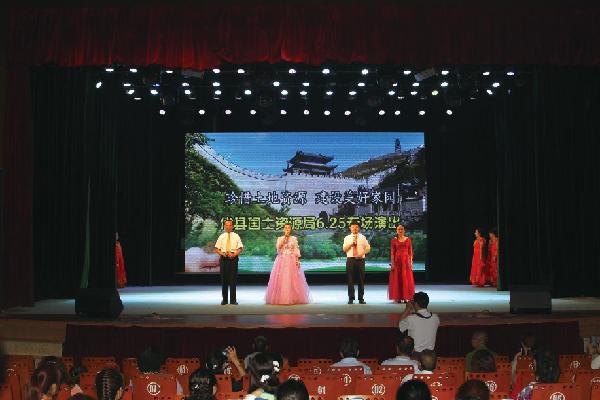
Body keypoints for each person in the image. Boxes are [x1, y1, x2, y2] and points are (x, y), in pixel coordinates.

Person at [265, 223, 311, 305]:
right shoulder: (280, 238)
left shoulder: (294, 239)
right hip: (281, 260)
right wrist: (285, 238)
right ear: (283, 229)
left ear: (291, 229)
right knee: (281, 279)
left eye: (288, 228)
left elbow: (296, 250)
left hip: (291, 260)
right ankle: (280, 298)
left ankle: (293, 297)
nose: (287, 229)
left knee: (292, 279)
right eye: (285, 228)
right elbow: (278, 248)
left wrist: (297, 260)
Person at [215, 219, 244, 305]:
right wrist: (222, 253)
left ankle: (233, 300)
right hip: (224, 259)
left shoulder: (236, 236)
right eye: (226, 225)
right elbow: (217, 249)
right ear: (224, 226)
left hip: (233, 259)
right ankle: (224, 299)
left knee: (233, 280)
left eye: (229, 225)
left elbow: (240, 248)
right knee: (224, 280)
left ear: (232, 226)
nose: (228, 227)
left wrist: (234, 254)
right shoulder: (221, 236)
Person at [342, 221, 370, 304]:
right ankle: (351, 298)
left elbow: (368, 248)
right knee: (350, 280)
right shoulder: (347, 238)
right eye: (353, 227)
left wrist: (362, 253)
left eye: (356, 227)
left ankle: (361, 299)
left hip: (360, 260)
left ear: (359, 228)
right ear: (350, 228)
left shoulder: (363, 237)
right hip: (350, 260)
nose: (354, 228)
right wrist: (351, 244)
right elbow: (344, 249)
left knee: (361, 280)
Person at [389, 224, 415, 303]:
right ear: (396, 230)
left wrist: (410, 263)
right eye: (398, 229)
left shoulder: (408, 240)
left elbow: (410, 252)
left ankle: (406, 297)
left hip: (406, 262)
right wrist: (392, 263)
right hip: (397, 262)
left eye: (401, 229)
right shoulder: (394, 240)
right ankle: (398, 297)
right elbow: (392, 253)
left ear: (404, 230)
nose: (400, 231)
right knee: (398, 279)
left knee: (406, 279)